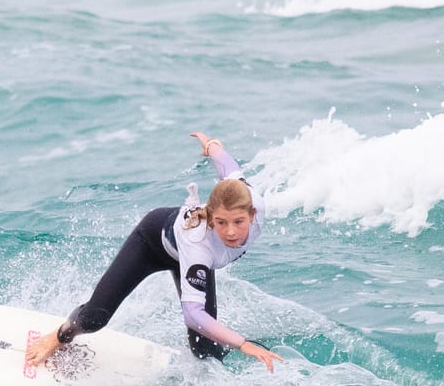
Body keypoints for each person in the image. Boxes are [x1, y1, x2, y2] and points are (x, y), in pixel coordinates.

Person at [23, 132, 283, 372]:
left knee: (206, 350)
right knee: (94, 318)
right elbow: (193, 314)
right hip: (151, 242)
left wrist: (212, 146)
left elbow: (229, 168)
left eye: (238, 222)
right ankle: (57, 337)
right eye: (221, 223)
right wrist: (243, 344)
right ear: (211, 218)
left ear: (252, 214)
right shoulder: (200, 243)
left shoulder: (252, 202)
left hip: (187, 255)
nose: (230, 232)